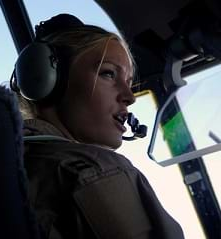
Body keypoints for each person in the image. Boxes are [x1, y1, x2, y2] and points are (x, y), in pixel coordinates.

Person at [11, 14, 184, 239]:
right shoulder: (93, 170)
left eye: (130, 82)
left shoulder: (14, 162)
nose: (129, 97)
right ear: (45, 79)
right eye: (108, 74)